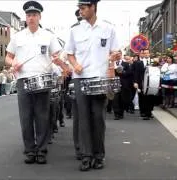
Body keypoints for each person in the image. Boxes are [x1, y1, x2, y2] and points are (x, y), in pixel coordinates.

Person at [5, 0, 68, 165]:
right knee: (26, 117)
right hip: (23, 79)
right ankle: (29, 150)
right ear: (25, 17)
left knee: (42, 116)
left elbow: (59, 54)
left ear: (40, 17)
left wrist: (59, 60)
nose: (31, 18)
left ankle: (41, 150)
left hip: (42, 79)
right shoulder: (17, 36)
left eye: (34, 15)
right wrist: (13, 64)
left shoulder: (48, 36)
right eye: (28, 15)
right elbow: (8, 57)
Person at [64, 0, 121, 171]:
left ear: (93, 7)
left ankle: (99, 155)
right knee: (83, 118)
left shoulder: (108, 28)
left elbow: (116, 52)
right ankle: (86, 156)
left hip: (100, 79)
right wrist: (75, 65)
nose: (80, 11)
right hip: (81, 79)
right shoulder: (75, 30)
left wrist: (113, 62)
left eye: (83, 8)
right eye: (79, 8)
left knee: (98, 118)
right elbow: (69, 53)